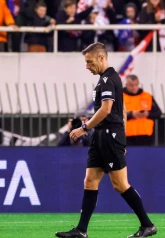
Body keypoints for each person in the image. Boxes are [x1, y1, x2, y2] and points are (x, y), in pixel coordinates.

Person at [55, 42, 157, 238]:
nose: (87, 66)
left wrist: (84, 128)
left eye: (89, 61)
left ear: (101, 58)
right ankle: (81, 230)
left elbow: (106, 109)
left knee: (120, 184)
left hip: (109, 136)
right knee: (90, 181)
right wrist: (122, 136)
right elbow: (123, 110)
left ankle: (147, 225)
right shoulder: (105, 79)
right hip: (102, 137)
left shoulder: (109, 79)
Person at [124, 74, 162, 146]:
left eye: (136, 85)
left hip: (146, 136)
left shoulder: (147, 96)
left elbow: (158, 113)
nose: (134, 87)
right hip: (127, 136)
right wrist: (131, 114)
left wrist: (148, 114)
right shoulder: (120, 97)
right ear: (126, 85)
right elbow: (114, 116)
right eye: (131, 85)